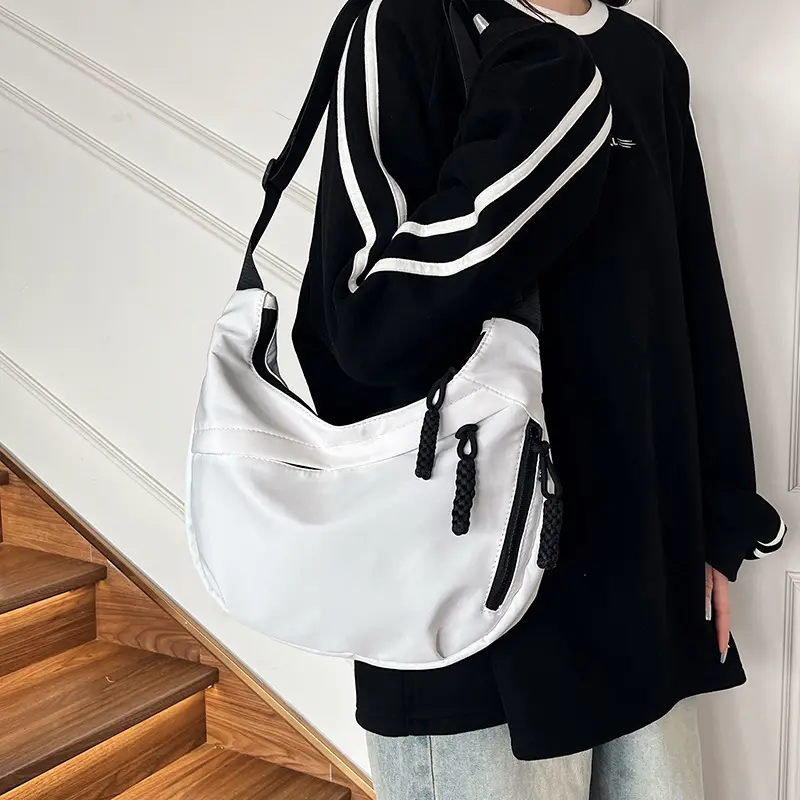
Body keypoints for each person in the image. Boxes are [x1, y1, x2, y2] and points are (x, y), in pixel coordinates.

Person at [291, 0, 787, 796]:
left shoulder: (648, 60)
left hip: (639, 581)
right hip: (468, 602)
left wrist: (718, 517)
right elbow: (361, 330)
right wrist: (542, 126)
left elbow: (690, 299)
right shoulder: (406, 22)